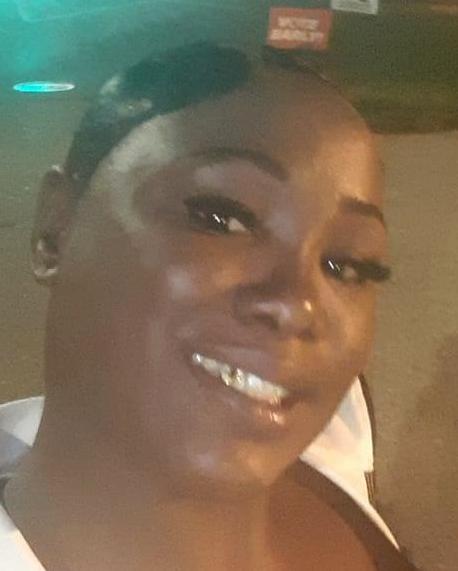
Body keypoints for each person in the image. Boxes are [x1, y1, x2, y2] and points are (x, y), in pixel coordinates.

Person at [0, 43, 418, 570]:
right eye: (222, 218)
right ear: (56, 226)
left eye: (347, 265)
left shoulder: (334, 441)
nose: (298, 306)